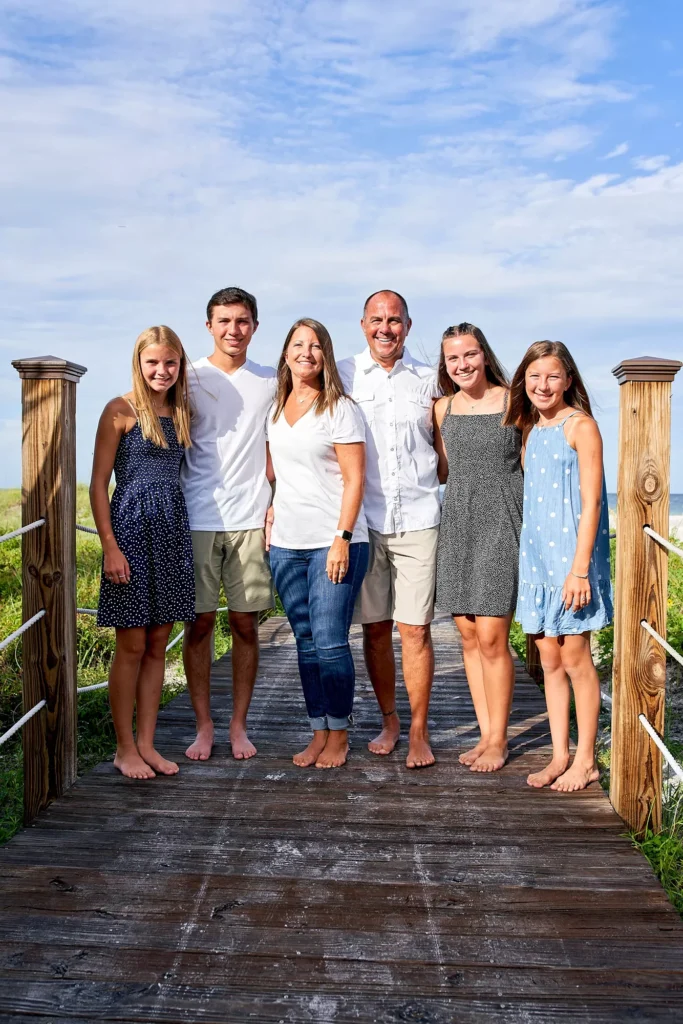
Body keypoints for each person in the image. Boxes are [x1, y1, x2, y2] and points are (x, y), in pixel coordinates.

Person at [505, 341, 613, 792]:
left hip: (573, 562)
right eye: (534, 376)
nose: (543, 385)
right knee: (549, 659)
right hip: (538, 561)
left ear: (568, 379)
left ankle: (586, 761)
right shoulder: (530, 430)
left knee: (575, 657)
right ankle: (560, 754)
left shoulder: (580, 426)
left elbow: (592, 504)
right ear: (524, 381)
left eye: (552, 376)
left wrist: (580, 569)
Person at [338, 291, 439, 769]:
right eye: (376, 319)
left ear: (408, 326)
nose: (385, 328)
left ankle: (419, 730)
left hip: (419, 518)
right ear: (363, 324)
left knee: (415, 630)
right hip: (363, 522)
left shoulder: (431, 378)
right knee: (375, 629)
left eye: (394, 320)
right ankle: (390, 720)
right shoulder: (342, 374)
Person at [90, 326, 195, 780]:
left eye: (170, 362)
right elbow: (98, 484)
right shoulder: (119, 410)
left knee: (157, 644)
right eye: (153, 362)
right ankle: (124, 747)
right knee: (131, 644)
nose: (162, 370)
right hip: (130, 531)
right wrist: (110, 547)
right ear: (139, 362)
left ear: (180, 365)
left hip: (171, 531)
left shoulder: (181, 411)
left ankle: (148, 744)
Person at [266, 318, 369, 769]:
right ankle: (319, 731)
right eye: (298, 344)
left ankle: (340, 734)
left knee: (329, 641)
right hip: (285, 544)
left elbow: (355, 479)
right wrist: (271, 509)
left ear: (326, 355)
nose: (306, 352)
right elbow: (280, 473)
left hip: (334, 542)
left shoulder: (340, 408)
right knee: (305, 641)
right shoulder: (275, 408)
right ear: (286, 353)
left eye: (315, 345)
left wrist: (341, 539)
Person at [180, 286, 275, 762]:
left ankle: (239, 724)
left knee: (245, 624)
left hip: (251, 517)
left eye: (242, 321)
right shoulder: (187, 377)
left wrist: (276, 500)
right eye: (224, 321)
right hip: (197, 515)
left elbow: (279, 444)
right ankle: (204, 725)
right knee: (198, 624)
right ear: (209, 326)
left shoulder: (271, 379)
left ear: (254, 326)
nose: (233, 330)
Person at [433, 324, 523, 772]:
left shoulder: (514, 402)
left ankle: (499, 740)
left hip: (502, 523)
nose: (462, 364)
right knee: (468, 635)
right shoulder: (443, 408)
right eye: (453, 358)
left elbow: (531, 464)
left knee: (491, 637)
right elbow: (443, 471)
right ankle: (486, 734)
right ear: (445, 364)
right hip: (458, 524)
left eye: (470, 354)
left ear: (484, 355)